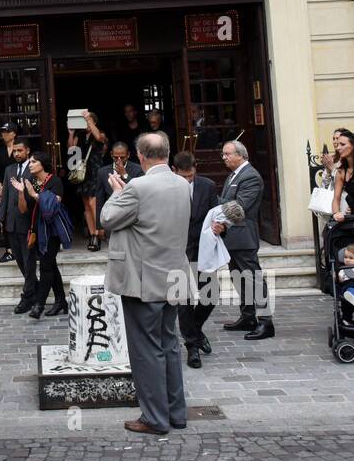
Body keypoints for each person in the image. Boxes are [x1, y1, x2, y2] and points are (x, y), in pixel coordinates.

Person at [99, 132, 190, 436]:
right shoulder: (183, 184)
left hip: (144, 280)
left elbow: (108, 219)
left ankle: (154, 417)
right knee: (170, 345)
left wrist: (116, 191)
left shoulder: (137, 187)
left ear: (140, 155)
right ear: (167, 151)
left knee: (146, 350)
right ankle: (176, 412)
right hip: (174, 276)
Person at [210, 141, 273, 340]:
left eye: (227, 154)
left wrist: (212, 199)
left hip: (244, 236)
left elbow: (240, 206)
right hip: (232, 236)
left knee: (253, 278)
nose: (224, 157)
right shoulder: (233, 175)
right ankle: (248, 316)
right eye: (223, 154)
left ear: (241, 155)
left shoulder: (251, 176)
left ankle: (265, 321)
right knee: (238, 277)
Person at [173, 151, 220, 368]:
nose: (188, 180)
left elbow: (216, 214)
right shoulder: (167, 189)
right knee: (184, 300)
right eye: (184, 177)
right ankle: (192, 346)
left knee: (211, 294)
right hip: (178, 251)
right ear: (175, 172)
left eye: (190, 176)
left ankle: (196, 330)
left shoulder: (207, 185)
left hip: (204, 250)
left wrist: (221, 226)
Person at [17, 151, 71, 319]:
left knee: (46, 266)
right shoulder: (30, 181)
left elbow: (52, 206)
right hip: (37, 230)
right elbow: (23, 209)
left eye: (34, 161)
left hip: (51, 230)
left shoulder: (55, 181)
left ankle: (39, 305)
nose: (30, 164)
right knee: (51, 264)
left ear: (43, 164)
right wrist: (21, 192)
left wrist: (34, 194)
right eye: (30, 161)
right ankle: (61, 301)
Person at [0, 140, 37, 314]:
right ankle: (35, 290)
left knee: (29, 262)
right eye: (14, 151)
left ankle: (27, 297)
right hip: (12, 223)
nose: (17, 154)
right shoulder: (9, 170)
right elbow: (5, 196)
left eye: (20, 150)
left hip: (28, 223)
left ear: (27, 151)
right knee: (21, 261)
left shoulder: (34, 168)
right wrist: (1, 220)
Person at [69, 110, 108, 250]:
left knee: (93, 203)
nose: (85, 123)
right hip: (83, 172)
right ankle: (92, 235)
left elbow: (98, 137)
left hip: (95, 171)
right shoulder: (80, 135)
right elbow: (71, 149)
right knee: (86, 204)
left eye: (88, 121)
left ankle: (98, 234)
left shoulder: (100, 133)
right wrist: (71, 133)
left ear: (93, 122)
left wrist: (88, 119)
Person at [0, 123, 19, 261]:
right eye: (2, 131)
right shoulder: (1, 151)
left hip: (20, 187)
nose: (4, 134)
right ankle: (9, 250)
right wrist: (0, 187)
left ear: (14, 133)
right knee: (4, 218)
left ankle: (25, 247)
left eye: (6, 132)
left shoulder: (20, 148)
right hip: (6, 188)